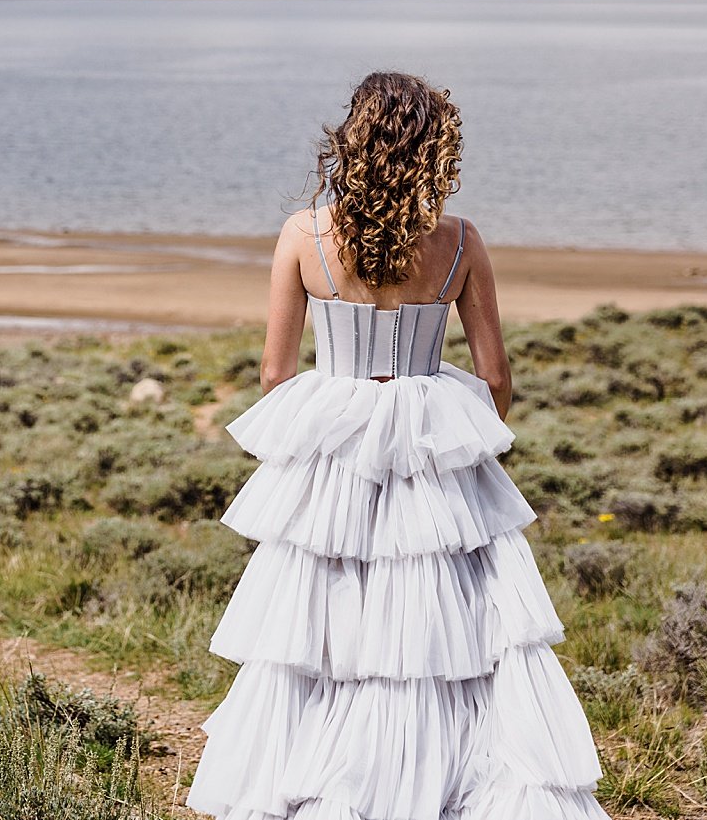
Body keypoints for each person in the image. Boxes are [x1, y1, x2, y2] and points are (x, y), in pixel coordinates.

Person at [186, 72, 608, 820]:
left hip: (336, 431)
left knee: (322, 626)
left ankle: (325, 778)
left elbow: (274, 372)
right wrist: (468, 441)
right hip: (428, 434)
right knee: (448, 630)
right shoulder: (459, 240)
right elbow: (496, 374)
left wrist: (310, 442)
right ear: (431, 147)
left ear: (352, 139)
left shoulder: (301, 235)